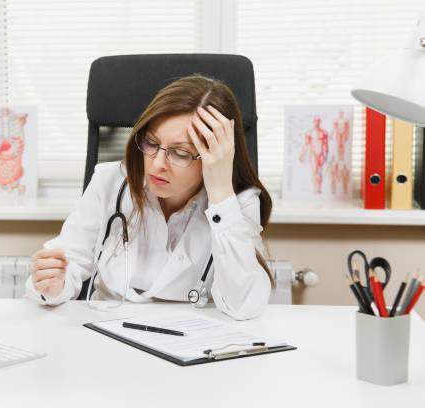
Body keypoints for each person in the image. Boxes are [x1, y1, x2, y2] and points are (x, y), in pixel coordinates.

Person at [26, 74, 274, 320]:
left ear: (214, 155)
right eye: (151, 143)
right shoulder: (110, 181)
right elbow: (69, 261)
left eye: (179, 153)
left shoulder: (237, 204)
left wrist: (220, 193)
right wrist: (52, 285)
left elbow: (243, 304)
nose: (157, 164)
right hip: (109, 335)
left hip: (191, 342)